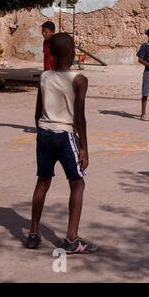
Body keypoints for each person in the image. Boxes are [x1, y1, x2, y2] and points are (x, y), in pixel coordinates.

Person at [26, 33, 98, 254]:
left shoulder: (44, 77)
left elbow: (38, 112)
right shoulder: (79, 79)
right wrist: (84, 147)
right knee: (77, 183)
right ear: (72, 52)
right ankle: (71, 239)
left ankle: (34, 233)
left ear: (52, 54)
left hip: (45, 133)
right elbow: (79, 117)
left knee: (43, 182)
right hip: (64, 134)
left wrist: (42, 134)